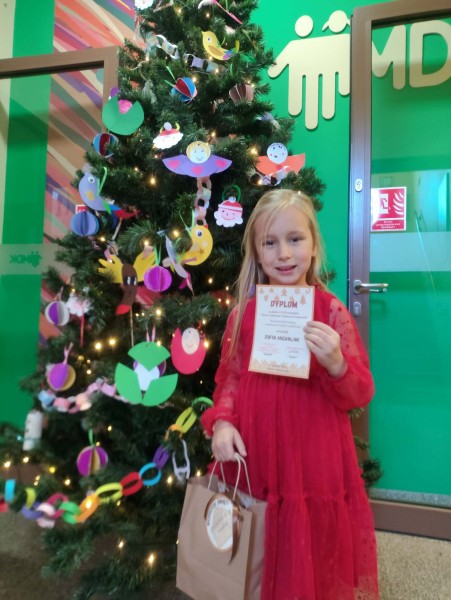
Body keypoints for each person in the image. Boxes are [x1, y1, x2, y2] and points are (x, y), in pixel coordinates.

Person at [201, 189, 379, 600]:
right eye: (270, 242)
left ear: (313, 245)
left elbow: (359, 393)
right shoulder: (242, 314)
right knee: (257, 537)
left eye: (295, 239)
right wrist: (222, 422)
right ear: (257, 253)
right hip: (258, 451)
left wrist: (336, 363)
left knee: (311, 540)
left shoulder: (330, 312)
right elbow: (231, 378)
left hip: (314, 454)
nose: (283, 253)